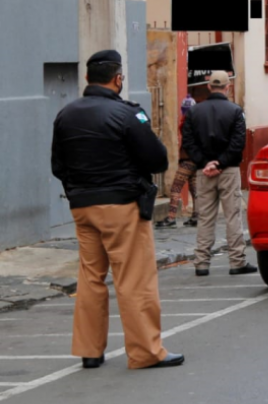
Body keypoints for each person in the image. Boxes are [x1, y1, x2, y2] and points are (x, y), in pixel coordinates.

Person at [51, 49, 184, 370]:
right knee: (134, 278)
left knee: (90, 278)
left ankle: (89, 350)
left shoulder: (66, 114)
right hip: (122, 205)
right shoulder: (127, 114)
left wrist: (78, 188)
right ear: (118, 78)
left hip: (82, 206)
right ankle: (145, 352)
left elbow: (58, 166)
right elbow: (157, 159)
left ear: (87, 78)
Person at [182, 71, 257, 277]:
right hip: (229, 170)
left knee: (205, 217)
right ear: (228, 86)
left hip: (204, 171)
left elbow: (188, 142)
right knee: (233, 216)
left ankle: (201, 263)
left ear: (209, 86)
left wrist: (205, 163)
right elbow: (238, 142)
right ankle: (237, 261)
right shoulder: (235, 110)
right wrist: (221, 163)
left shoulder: (194, 112)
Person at [158, 95, 200, 229]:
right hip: (197, 160)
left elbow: (187, 141)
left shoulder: (187, 121)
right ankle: (196, 216)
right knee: (194, 187)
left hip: (188, 159)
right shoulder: (199, 121)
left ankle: (171, 217)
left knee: (176, 187)